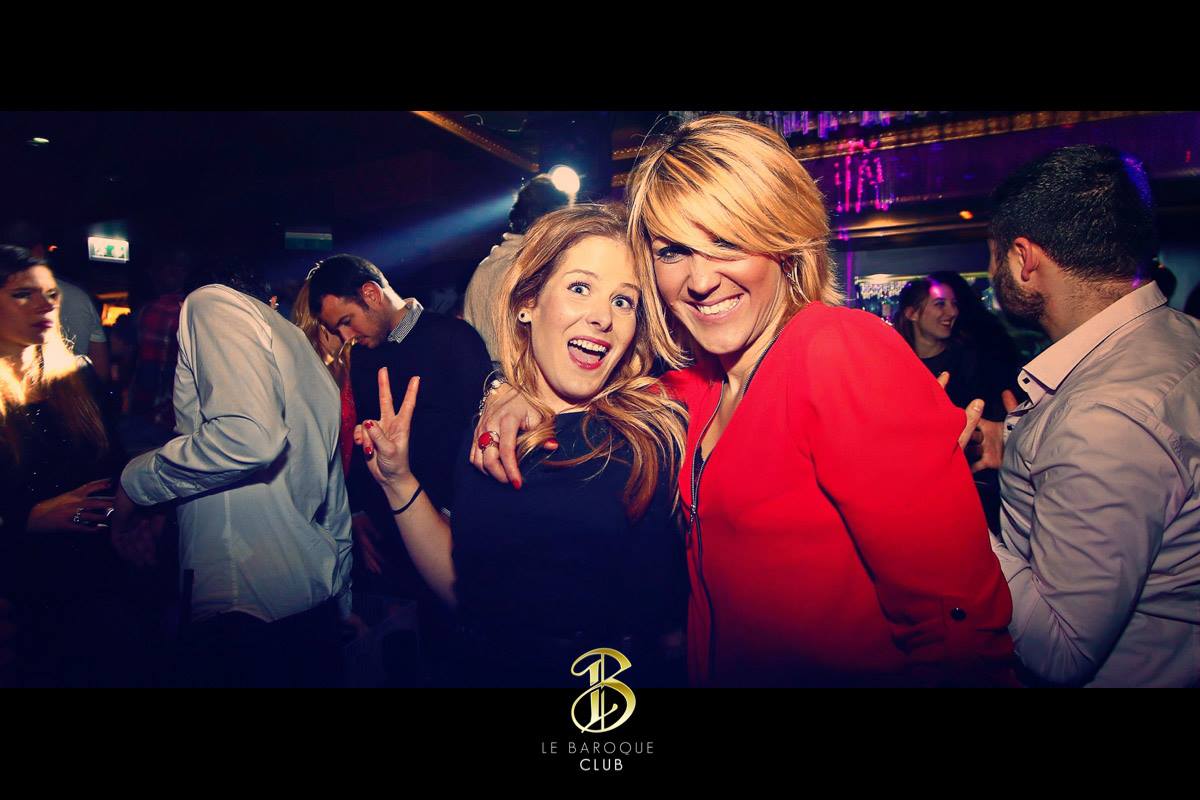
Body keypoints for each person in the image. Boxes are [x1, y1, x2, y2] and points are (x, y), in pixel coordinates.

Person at [478, 116, 1016, 687]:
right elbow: (601, 394)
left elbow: (953, 618)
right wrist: (510, 390)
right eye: (673, 251)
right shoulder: (696, 388)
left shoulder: (835, 348)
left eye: (727, 241)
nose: (700, 280)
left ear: (784, 240)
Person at [356, 204, 688, 687]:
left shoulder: (654, 432)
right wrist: (398, 481)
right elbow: (466, 586)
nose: (603, 317)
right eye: (580, 288)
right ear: (527, 302)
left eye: (624, 301)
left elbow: (677, 620)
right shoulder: (489, 428)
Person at [985, 144, 1200, 687]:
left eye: (992, 256)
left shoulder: (1103, 416)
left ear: (1023, 260)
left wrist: (944, 507)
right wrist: (1014, 448)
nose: (991, 272)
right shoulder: (1180, 340)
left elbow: (1060, 650)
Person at [113, 258, 352, 687]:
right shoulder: (304, 352)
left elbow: (249, 438)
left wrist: (136, 482)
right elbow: (335, 508)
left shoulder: (211, 301)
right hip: (313, 607)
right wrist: (344, 605)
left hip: (243, 605)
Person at [0, 245, 155, 686]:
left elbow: (111, 462)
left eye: (51, 294)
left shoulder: (77, 378)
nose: (44, 305)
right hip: (20, 580)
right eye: (22, 294)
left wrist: (132, 513)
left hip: (95, 571)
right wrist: (26, 519)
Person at [464, 174, 572, 363]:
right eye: (566, 223)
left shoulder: (485, 267)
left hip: (482, 376)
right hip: (518, 377)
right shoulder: (534, 270)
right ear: (552, 222)